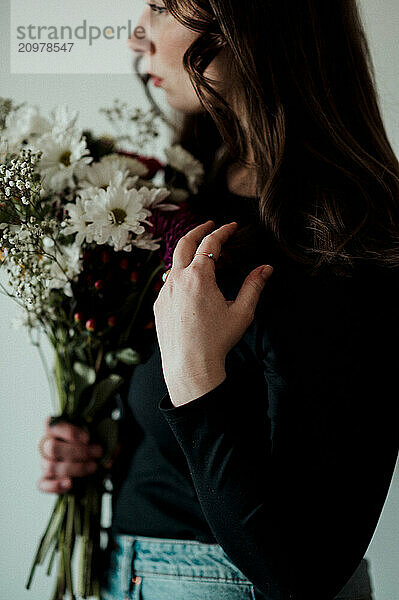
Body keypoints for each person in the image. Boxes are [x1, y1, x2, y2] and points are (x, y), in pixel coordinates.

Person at [37, 1, 399, 599]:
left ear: (250, 21)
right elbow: (201, 441)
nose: (135, 36)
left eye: (160, 6)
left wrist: (195, 373)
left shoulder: (342, 242)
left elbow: (301, 572)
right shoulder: (192, 195)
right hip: (128, 570)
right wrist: (103, 448)